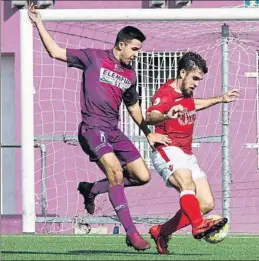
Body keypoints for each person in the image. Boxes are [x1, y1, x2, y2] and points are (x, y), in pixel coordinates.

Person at [28, 3, 171, 251]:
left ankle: (91, 189)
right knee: (115, 172)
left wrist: (149, 134)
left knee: (143, 176)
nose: (137, 54)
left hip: (113, 130)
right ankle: (132, 233)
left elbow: (134, 108)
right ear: (121, 44)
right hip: (92, 129)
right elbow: (55, 52)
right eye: (135, 49)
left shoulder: (130, 75)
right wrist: (39, 23)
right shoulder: (92, 57)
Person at [146, 52, 240, 254]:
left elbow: (194, 104)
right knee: (187, 184)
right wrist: (165, 115)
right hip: (168, 149)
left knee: (205, 203)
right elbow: (150, 116)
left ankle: (161, 232)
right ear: (182, 73)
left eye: (199, 79)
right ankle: (198, 225)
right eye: (194, 78)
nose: (197, 83)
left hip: (187, 154)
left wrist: (221, 99)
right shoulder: (166, 93)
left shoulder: (187, 94)